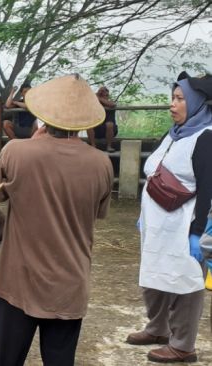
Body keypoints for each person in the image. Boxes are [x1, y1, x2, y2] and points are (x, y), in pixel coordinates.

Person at [0, 74, 113, 366]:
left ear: (42, 117)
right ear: (84, 120)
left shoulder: (16, 152)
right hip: (69, 286)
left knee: (3, 360)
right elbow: (97, 214)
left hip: (17, 284)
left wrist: (31, 144)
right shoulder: (101, 163)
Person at [126, 72, 212, 363]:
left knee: (184, 281)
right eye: (171, 98)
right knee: (155, 275)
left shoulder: (206, 137)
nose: (172, 105)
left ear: (198, 102)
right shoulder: (174, 133)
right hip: (158, 223)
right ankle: (157, 328)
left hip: (184, 224)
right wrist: (143, 215)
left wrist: (196, 232)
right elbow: (154, 171)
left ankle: (183, 346)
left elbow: (208, 188)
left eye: (179, 99)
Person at [87, 86, 118, 152]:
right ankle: (93, 146)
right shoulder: (94, 104)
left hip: (111, 129)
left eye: (105, 93)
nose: (104, 94)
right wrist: (96, 95)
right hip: (98, 130)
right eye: (101, 93)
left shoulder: (111, 103)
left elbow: (112, 105)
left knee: (109, 124)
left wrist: (99, 98)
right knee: (89, 126)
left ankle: (109, 146)